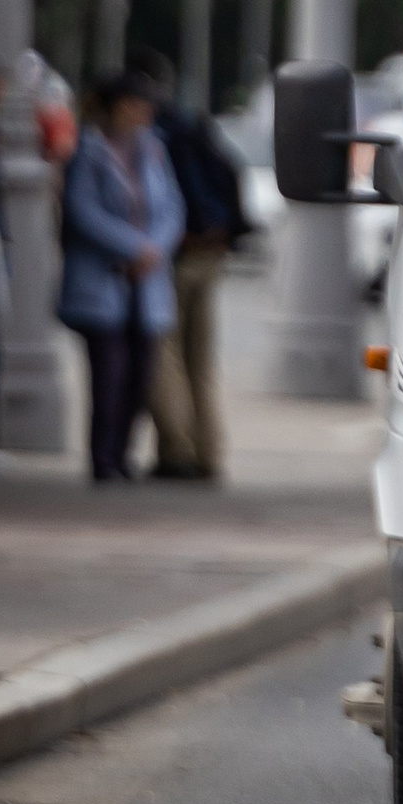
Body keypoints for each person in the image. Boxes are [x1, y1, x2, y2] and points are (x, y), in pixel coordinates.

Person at [130, 50, 254, 481]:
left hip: (177, 254)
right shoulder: (193, 122)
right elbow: (231, 171)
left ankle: (177, 452)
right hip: (211, 251)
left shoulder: (153, 133)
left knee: (165, 355)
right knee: (201, 360)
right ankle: (210, 451)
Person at [59, 72, 184, 482]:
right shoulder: (88, 150)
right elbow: (82, 211)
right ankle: (103, 457)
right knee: (108, 376)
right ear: (114, 107)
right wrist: (132, 246)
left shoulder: (154, 150)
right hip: (104, 279)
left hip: (145, 282)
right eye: (133, 104)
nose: (141, 113)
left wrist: (153, 249)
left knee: (139, 376)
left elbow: (170, 209)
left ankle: (124, 453)